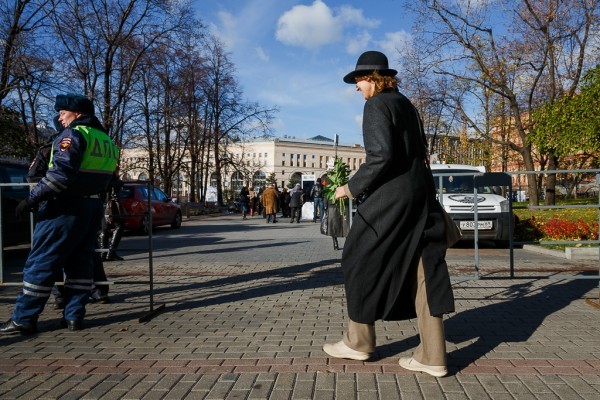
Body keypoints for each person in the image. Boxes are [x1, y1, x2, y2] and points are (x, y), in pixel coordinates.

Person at [322, 51, 455, 378]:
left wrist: (349, 188)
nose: (357, 87)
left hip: (393, 198)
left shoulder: (377, 104)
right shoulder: (406, 104)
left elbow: (380, 155)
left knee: (357, 256)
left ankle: (359, 342)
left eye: (359, 80)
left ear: (373, 78)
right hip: (421, 194)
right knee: (424, 268)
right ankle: (433, 356)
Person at [0, 93, 118, 334]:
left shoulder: (73, 135)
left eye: (63, 113)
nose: (60, 118)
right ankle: (74, 316)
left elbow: (59, 176)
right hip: (92, 208)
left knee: (42, 262)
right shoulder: (106, 140)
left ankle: (23, 319)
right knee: (81, 263)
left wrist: (30, 199)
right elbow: (111, 180)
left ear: (78, 113)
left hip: (64, 208)